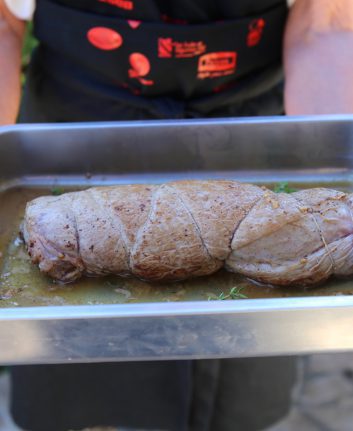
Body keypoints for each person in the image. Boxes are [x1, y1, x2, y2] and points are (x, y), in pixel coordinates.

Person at [0, 0, 352, 430]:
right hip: (73, 149)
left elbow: (326, 23)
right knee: (80, 390)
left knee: (238, 387)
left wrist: (335, 168)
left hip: (251, 147)